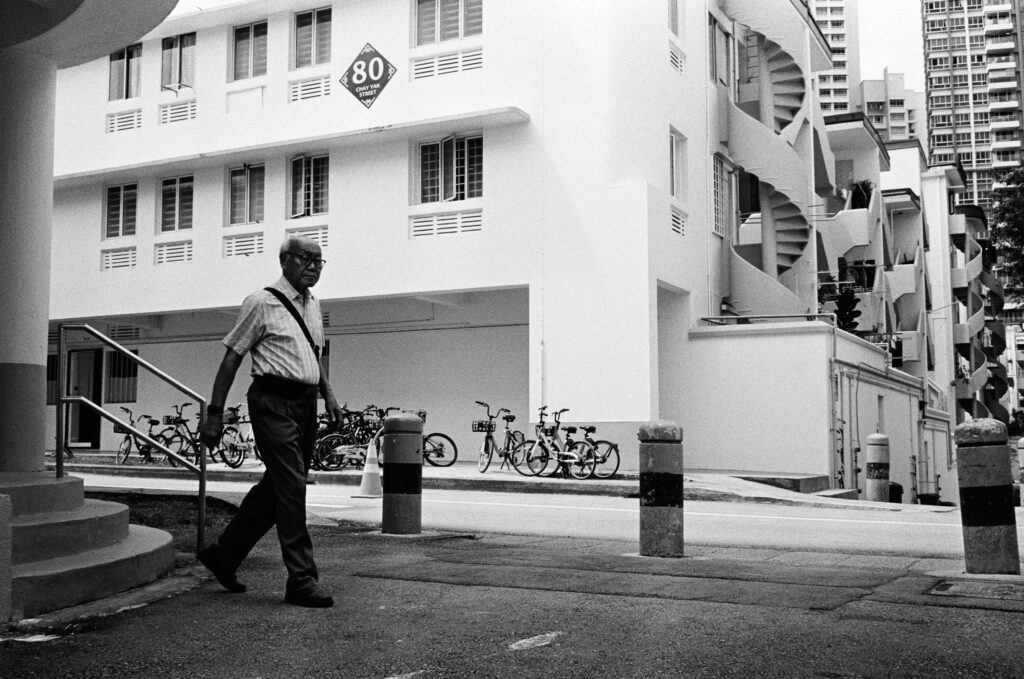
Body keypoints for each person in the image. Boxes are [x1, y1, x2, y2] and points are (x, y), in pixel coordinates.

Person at [197, 235, 344, 608]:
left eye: (319, 261)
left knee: (275, 491)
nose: (314, 266)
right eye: (306, 258)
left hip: (306, 403)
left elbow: (315, 354)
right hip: (272, 401)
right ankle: (301, 579)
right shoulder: (260, 303)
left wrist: (328, 394)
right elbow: (231, 359)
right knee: (293, 488)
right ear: (285, 261)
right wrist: (215, 415)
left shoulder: (313, 304)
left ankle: (223, 556)